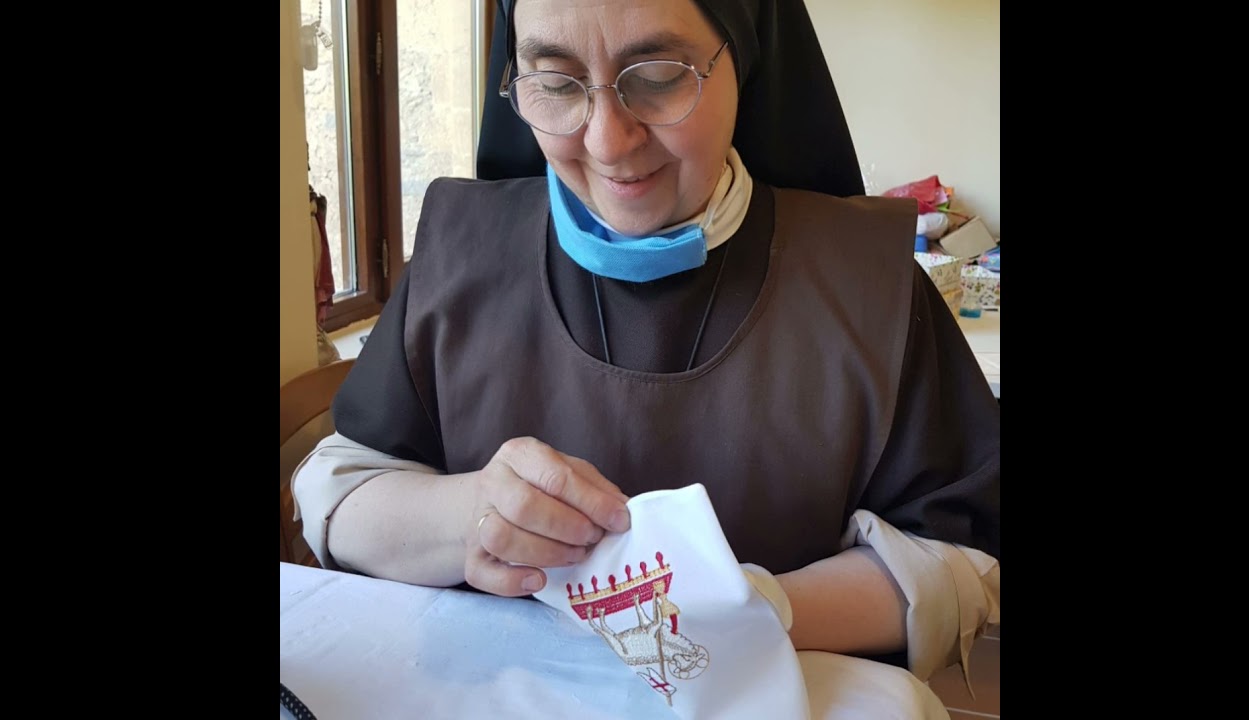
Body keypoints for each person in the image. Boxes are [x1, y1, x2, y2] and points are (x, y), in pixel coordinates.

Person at [291, 0, 999, 703]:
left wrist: (758, 607)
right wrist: (468, 518)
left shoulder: (868, 278)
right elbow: (339, 487)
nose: (607, 142)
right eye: (557, 82)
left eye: (658, 76)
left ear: (743, 59)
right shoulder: (459, 250)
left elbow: (960, 560)